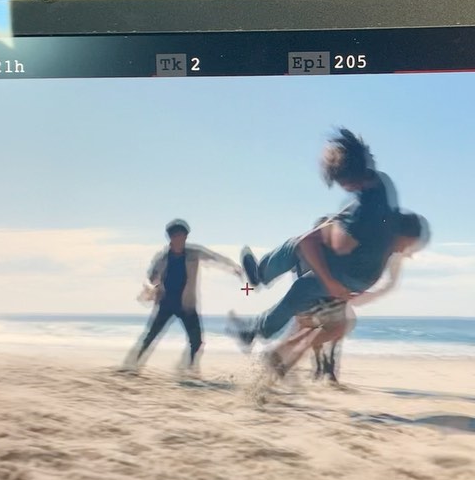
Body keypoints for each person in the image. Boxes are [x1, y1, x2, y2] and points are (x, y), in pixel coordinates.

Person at [228, 127, 399, 349]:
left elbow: (307, 244)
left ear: (348, 181)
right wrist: (337, 221)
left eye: (340, 182)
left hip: (352, 271)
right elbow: (363, 217)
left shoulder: (361, 215)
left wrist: (331, 283)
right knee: (302, 289)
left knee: (296, 247)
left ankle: (260, 274)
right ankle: (255, 331)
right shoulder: (381, 183)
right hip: (370, 271)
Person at [265, 211, 430, 384]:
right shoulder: (334, 248)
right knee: (327, 329)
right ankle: (295, 363)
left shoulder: (322, 248)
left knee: (315, 331)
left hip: (316, 298)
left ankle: (289, 366)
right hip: (321, 297)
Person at [124, 219, 242, 374]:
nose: (180, 239)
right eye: (177, 236)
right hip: (166, 303)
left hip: (187, 305)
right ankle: (132, 365)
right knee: (151, 336)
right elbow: (151, 277)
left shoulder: (194, 253)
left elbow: (214, 258)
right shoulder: (162, 258)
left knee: (197, 341)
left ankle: (188, 369)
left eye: (183, 236)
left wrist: (234, 267)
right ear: (171, 237)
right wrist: (151, 286)